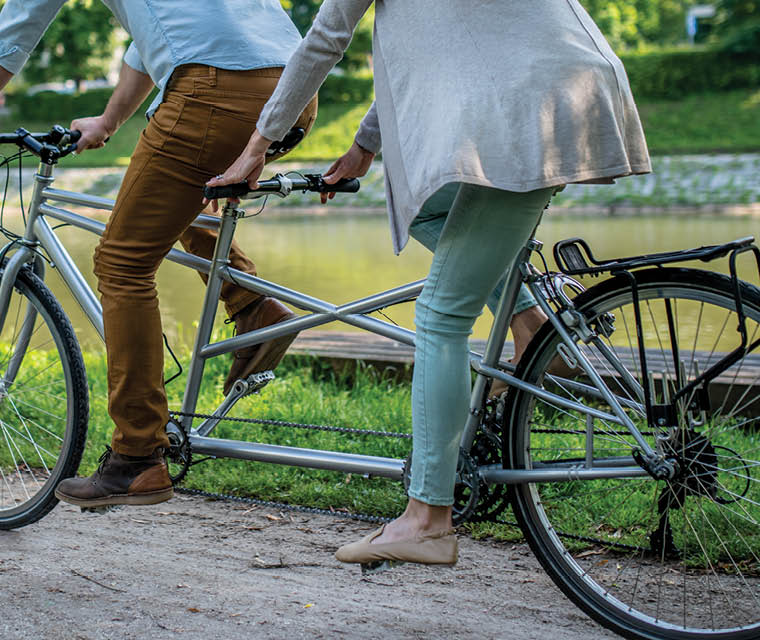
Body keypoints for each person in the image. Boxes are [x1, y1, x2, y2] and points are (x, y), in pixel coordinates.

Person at [211, 0, 650, 567]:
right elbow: (436, 48)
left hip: (517, 103)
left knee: (441, 316)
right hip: (569, 84)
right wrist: (367, 146)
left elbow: (325, 38)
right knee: (426, 205)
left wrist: (256, 148)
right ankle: (531, 324)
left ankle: (427, 518)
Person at [0, 1, 318, 508]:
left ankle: (137, 456)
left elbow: (14, 33)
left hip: (212, 91)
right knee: (169, 201)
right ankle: (253, 306)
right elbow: (157, 33)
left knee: (122, 263)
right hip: (295, 90)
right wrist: (109, 119)